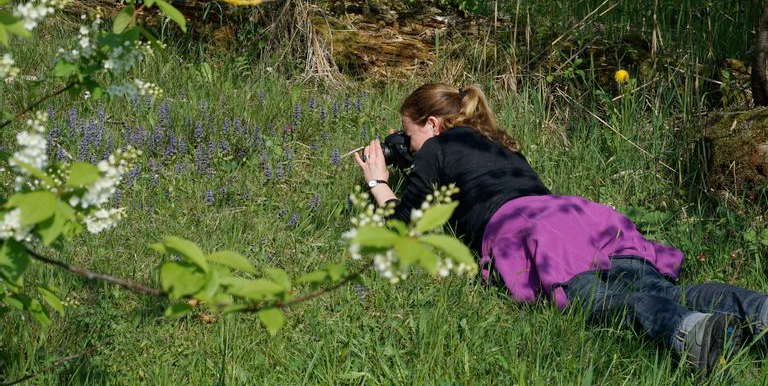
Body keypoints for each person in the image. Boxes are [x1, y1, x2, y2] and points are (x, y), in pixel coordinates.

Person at [354, 82, 768, 373]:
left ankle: (686, 331)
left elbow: (404, 226)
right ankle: (757, 312)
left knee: (591, 297)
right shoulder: (496, 141)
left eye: (408, 136)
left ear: (433, 124)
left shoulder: (438, 146)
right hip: (579, 215)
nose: (408, 147)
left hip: (526, 228)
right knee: (659, 288)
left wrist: (379, 183)